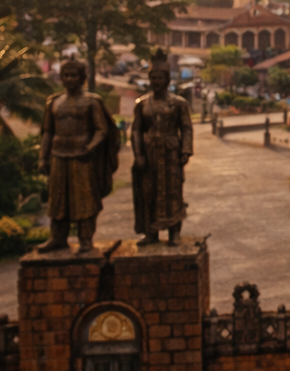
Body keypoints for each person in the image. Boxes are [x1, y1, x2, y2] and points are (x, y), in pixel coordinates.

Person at [38, 59, 118, 252]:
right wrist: (43, 157)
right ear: (61, 78)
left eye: (74, 75)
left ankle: (85, 239)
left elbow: (102, 130)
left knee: (84, 200)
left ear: (82, 78)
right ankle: (58, 237)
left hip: (82, 157)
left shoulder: (91, 102)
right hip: (59, 155)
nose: (70, 79)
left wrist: (90, 147)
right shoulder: (54, 102)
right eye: (66, 75)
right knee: (57, 199)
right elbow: (47, 132)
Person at [131, 58, 194, 244]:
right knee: (149, 191)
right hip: (150, 152)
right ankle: (151, 233)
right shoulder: (142, 104)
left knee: (173, 191)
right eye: (153, 78)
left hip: (170, 152)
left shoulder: (179, 103)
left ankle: (174, 231)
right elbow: (136, 130)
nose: (156, 81)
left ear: (167, 81)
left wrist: (186, 150)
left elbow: (186, 128)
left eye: (160, 78)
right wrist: (139, 154)